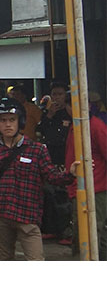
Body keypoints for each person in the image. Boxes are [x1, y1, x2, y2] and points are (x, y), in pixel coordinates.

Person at [0, 97, 79, 260]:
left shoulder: (37, 150)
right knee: (5, 258)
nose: (8, 124)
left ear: (21, 121)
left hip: (28, 216)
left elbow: (52, 176)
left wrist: (70, 174)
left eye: (12, 120)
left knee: (35, 259)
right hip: (2, 215)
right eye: (3, 120)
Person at [64, 107, 107, 260]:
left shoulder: (95, 126)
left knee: (92, 232)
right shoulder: (76, 125)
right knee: (86, 232)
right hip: (78, 186)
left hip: (95, 188)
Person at [36, 82, 74, 243]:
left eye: (59, 94)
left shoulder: (71, 112)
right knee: (48, 194)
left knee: (64, 197)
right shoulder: (48, 113)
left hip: (66, 158)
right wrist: (49, 115)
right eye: (54, 94)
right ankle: (51, 228)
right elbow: (39, 131)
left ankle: (67, 231)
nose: (56, 97)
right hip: (50, 157)